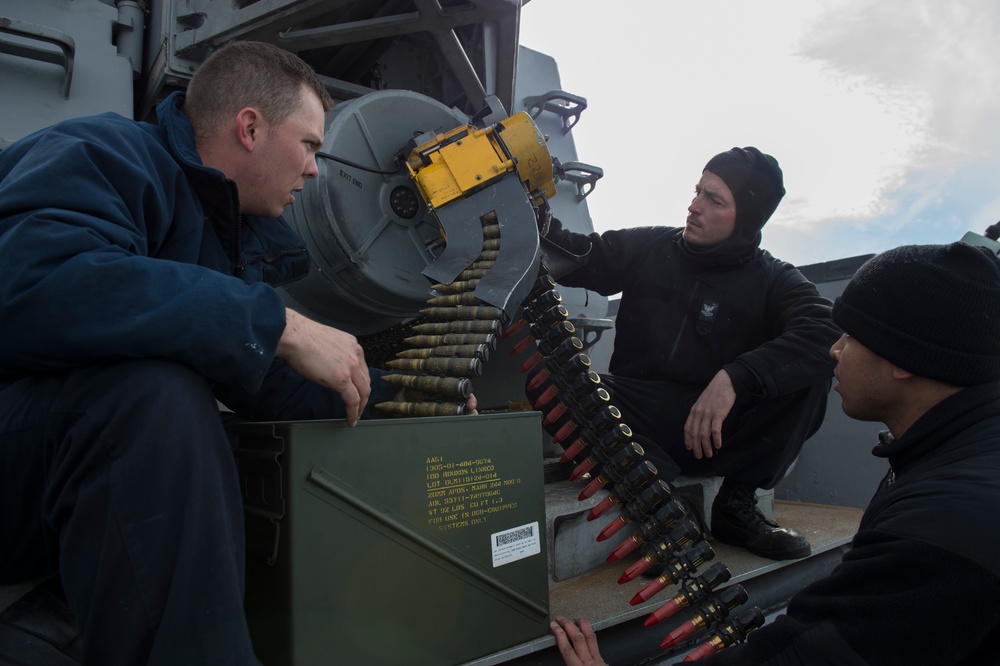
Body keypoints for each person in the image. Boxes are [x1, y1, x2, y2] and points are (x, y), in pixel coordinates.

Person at [0, 41, 473, 664]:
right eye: (308, 145)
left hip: (47, 471)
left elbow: (265, 386)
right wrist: (280, 323)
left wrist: (406, 398)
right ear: (249, 127)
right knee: (153, 398)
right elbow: (35, 285)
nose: (314, 170)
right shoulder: (104, 153)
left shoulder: (224, 234)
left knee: (223, 438)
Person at [551, 241, 1000, 665]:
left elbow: (809, 655)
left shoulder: (947, 524)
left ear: (906, 358)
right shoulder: (952, 455)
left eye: (852, 335)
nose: (836, 348)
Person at [541, 147, 839, 560]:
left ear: (746, 219)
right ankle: (653, 493)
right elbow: (579, 254)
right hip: (640, 421)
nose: (693, 207)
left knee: (811, 372)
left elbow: (827, 331)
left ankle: (736, 505)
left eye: (714, 199)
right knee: (553, 379)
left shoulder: (774, 278)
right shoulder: (651, 246)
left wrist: (737, 376)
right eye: (698, 191)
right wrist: (533, 214)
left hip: (720, 431)